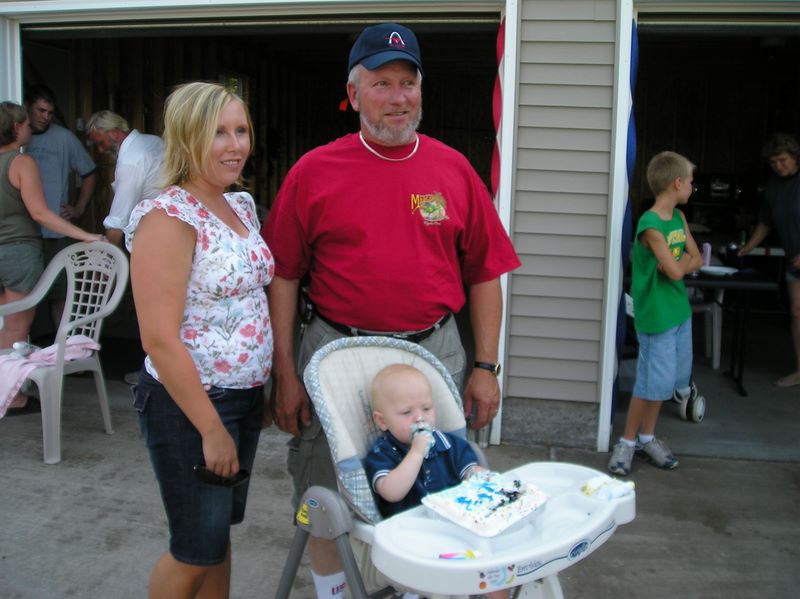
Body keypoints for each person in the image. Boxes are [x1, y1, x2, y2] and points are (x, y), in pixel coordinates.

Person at [261, 22, 520, 599]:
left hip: (433, 351)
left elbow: (485, 273)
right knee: (324, 490)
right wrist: (286, 372)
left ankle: (422, 587)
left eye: (408, 82)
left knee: (441, 483)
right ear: (354, 95)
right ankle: (335, 592)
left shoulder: (454, 170)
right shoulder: (314, 171)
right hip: (334, 350)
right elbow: (284, 276)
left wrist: (486, 367)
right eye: (382, 83)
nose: (398, 97)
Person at [126, 82, 273, 599]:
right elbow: (159, 340)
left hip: (241, 398)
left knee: (216, 538)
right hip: (192, 405)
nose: (235, 146)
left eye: (241, 131)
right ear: (187, 138)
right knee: (194, 550)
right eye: (218, 134)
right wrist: (211, 429)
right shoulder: (168, 217)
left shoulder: (240, 205)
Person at [363, 363, 509, 599]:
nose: (420, 418)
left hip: (454, 531)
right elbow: (391, 492)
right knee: (451, 580)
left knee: (495, 568)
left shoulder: (449, 444)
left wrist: (480, 476)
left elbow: (470, 471)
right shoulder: (383, 453)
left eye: (427, 408)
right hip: (410, 542)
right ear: (382, 421)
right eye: (406, 413)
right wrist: (416, 452)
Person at [0, 101, 104, 410]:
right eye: (26, 124)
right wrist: (85, 235)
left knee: (7, 324)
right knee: (17, 328)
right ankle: (13, 398)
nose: (30, 129)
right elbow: (40, 213)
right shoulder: (21, 162)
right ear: (16, 128)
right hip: (18, 252)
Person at [608, 151, 702, 477]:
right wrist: (680, 265)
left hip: (678, 311)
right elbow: (676, 271)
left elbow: (695, 259)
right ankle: (627, 443)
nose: (692, 187)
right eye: (690, 182)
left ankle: (647, 439)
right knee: (650, 383)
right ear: (677, 183)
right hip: (656, 316)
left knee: (664, 382)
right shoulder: (650, 225)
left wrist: (679, 265)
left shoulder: (679, 218)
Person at [24, 84, 97, 326]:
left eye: (50, 112)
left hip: (56, 230)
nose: (45, 117)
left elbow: (89, 173)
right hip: (25, 233)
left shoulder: (64, 138)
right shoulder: (16, 139)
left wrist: (79, 207)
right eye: (40, 110)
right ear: (27, 108)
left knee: (60, 294)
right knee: (24, 296)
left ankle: (61, 345)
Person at [738, 133, 800, 387]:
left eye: (783, 160)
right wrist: (749, 246)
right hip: (793, 261)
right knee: (797, 312)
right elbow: (766, 221)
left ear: (794, 156)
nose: (778, 166)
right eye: (773, 162)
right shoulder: (774, 186)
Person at [86, 110, 164, 246]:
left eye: (101, 143)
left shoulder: (130, 161)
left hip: (154, 232)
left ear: (113, 133)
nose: (100, 150)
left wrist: (104, 255)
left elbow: (118, 219)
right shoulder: (154, 140)